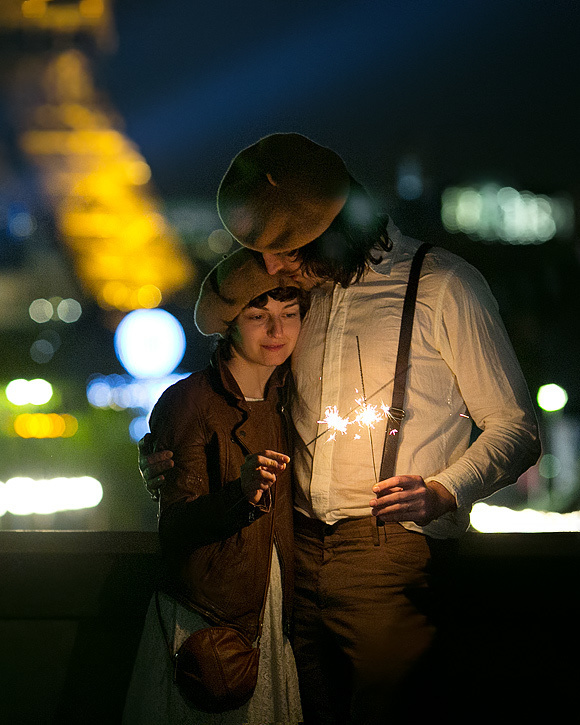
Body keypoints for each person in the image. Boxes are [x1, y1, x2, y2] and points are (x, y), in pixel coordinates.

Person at [140, 132, 541, 724]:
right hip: (290, 552)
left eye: (285, 249)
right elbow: (241, 393)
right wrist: (170, 448)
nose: (270, 267)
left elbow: (516, 427)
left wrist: (443, 491)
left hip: (391, 551)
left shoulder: (443, 284)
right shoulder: (304, 295)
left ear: (334, 230)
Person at [123, 248, 309, 724]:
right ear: (229, 323)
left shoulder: (294, 395)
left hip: (273, 606)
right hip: (208, 618)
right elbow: (176, 527)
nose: (277, 331)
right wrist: (240, 495)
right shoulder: (189, 401)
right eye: (258, 317)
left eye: (290, 314)